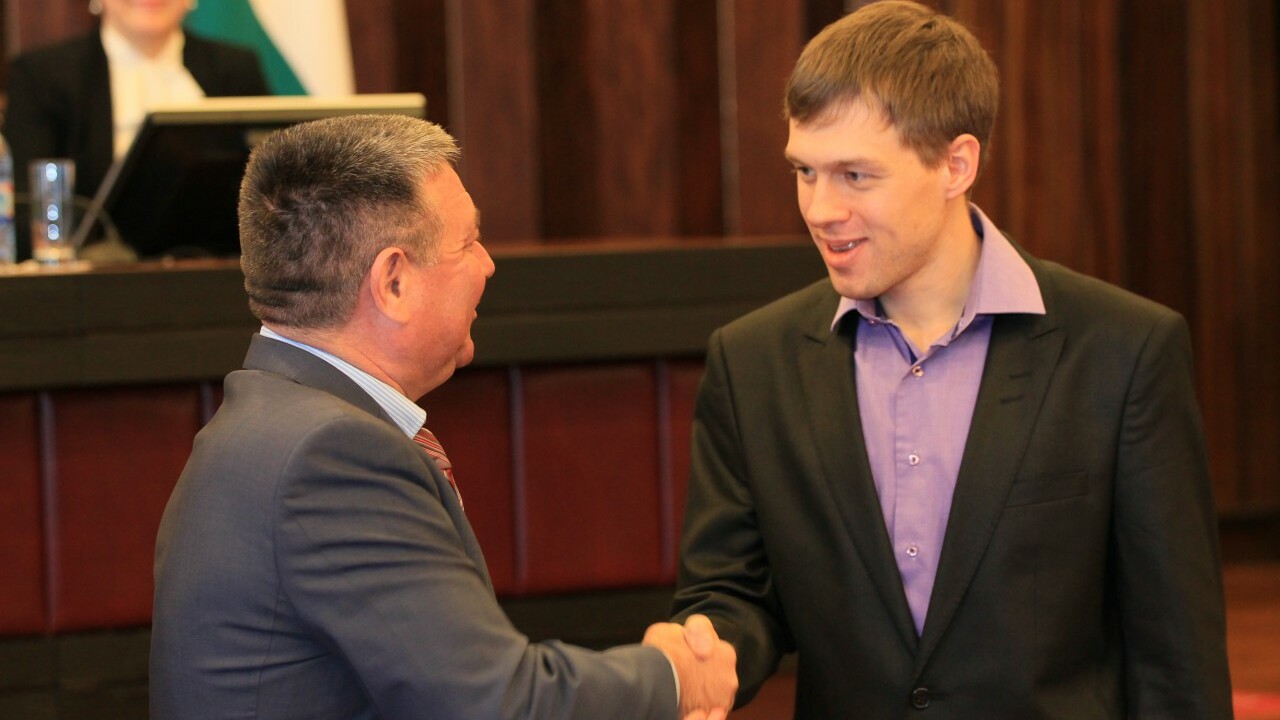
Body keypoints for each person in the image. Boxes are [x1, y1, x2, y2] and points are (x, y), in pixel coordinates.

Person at [670, 2, 1233, 718]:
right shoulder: (751, 363)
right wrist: (704, 651)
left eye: (855, 175)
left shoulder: (1124, 351)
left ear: (956, 165)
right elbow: (733, 592)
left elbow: (1176, 657)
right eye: (805, 171)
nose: (819, 209)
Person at [149, 114, 738, 720]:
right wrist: (673, 679)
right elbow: (496, 703)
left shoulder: (264, 424)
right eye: (468, 243)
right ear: (393, 282)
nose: (487, 265)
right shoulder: (330, 455)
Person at [2, 0, 269, 260]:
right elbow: (25, 209)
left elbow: (269, 196)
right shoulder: (42, 75)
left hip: (217, 269)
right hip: (96, 277)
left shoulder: (237, 69)